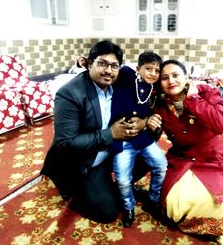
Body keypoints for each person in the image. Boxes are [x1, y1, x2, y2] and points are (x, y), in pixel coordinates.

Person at [40, 40, 149, 223]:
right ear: (89, 63)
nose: (108, 70)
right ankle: (79, 192)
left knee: (149, 150)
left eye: (114, 66)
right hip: (82, 163)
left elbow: (146, 91)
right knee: (108, 213)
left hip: (109, 152)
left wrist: (144, 122)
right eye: (102, 63)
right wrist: (110, 134)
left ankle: (111, 185)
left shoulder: (118, 82)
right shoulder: (70, 93)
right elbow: (65, 143)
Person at [147, 60, 223, 244]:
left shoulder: (206, 93)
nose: (171, 81)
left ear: (187, 78)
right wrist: (149, 124)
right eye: (164, 78)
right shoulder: (159, 101)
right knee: (172, 206)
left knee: (212, 205)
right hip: (182, 159)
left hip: (212, 157)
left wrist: (193, 99)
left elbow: (221, 125)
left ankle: (213, 223)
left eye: (175, 75)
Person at [110, 52, 168, 227]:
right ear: (138, 69)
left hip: (143, 139)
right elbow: (111, 69)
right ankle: (128, 207)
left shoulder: (155, 90)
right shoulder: (127, 76)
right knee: (122, 179)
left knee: (161, 165)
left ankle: (153, 199)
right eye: (148, 68)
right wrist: (85, 63)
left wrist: (146, 121)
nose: (152, 73)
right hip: (122, 141)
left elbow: (156, 111)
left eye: (156, 70)